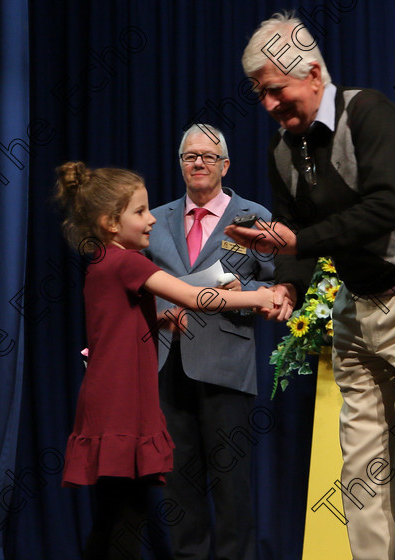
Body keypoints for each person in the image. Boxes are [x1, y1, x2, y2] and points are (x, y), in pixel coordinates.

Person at [227, 13, 395, 560]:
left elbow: (383, 209)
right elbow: (299, 239)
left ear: (313, 74)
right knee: (360, 461)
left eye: (275, 91)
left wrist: (294, 244)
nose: (268, 105)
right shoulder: (282, 152)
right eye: (260, 95)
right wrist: (288, 287)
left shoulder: (370, 113)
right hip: (357, 304)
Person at [54, 162, 273, 559]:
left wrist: (157, 322)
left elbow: (115, 326)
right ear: (109, 223)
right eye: (139, 212)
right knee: (124, 519)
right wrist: (258, 297)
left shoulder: (104, 262)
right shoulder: (129, 262)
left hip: (109, 403)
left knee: (114, 515)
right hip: (120, 407)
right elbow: (193, 297)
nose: (152, 219)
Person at [143, 124, 273, 560]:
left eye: (207, 156)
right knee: (179, 485)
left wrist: (241, 292)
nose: (198, 163)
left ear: (225, 165)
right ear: (180, 164)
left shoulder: (254, 218)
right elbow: (137, 285)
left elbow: (277, 288)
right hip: (167, 363)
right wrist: (158, 313)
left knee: (232, 486)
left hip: (226, 367)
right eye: (189, 157)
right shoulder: (153, 220)